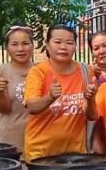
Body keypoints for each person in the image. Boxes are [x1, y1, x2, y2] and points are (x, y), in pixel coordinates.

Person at [23, 23, 96, 161]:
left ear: (75, 46)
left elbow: (91, 116)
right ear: (48, 45)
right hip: (40, 154)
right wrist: (50, 97)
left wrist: (91, 98)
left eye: (69, 42)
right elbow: (32, 107)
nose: (63, 47)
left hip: (75, 154)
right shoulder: (38, 72)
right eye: (57, 42)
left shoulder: (86, 71)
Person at [0, 26, 34, 156]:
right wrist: (1, 90)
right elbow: (4, 109)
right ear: (7, 47)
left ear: (32, 46)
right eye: (14, 44)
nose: (20, 49)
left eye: (25, 43)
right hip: (7, 142)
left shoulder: (41, 71)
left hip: (37, 141)